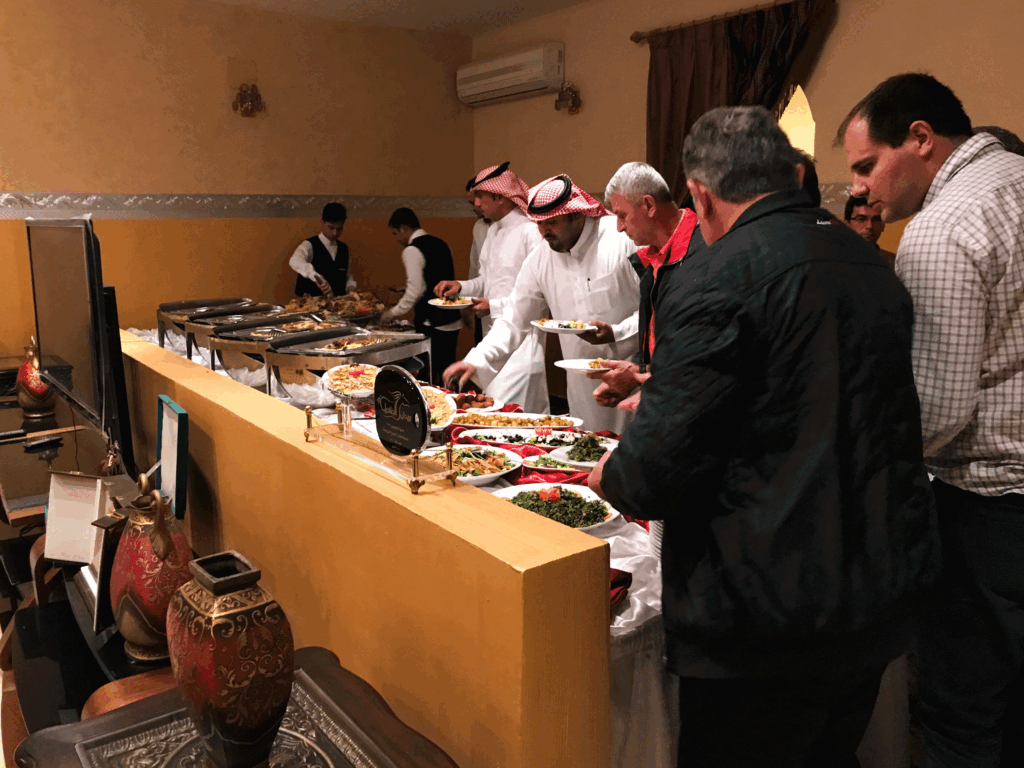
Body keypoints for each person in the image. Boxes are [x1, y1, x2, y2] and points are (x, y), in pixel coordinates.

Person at [590, 106, 939, 768]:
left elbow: (653, 474)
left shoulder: (715, 273)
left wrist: (613, 472)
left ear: (699, 195)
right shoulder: (870, 262)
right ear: (792, 175)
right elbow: (807, 395)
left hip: (763, 614)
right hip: (870, 591)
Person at [839, 72, 1024, 768]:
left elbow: (937, 412)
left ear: (920, 138)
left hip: (987, 506)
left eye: (867, 165)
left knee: (960, 715)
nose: (860, 188)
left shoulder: (943, 226)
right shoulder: (1016, 179)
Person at [443, 175, 640, 433]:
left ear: (576, 215)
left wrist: (618, 332)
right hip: (580, 385)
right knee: (591, 444)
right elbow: (514, 319)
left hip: (633, 375)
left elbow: (657, 307)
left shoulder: (620, 239)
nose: (544, 232)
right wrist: (476, 361)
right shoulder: (542, 257)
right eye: (539, 223)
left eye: (552, 222)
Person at [587, 162, 703, 414]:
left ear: (649, 205)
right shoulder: (652, 261)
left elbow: (704, 355)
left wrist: (651, 385)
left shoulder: (704, 252)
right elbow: (663, 345)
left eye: (622, 215)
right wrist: (636, 375)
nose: (619, 227)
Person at [434, 163, 548, 413]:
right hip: (491, 338)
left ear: (500, 196)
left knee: (512, 410)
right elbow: (485, 280)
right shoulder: (493, 231)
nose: (476, 204)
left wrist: (494, 306)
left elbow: (539, 295)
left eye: (480, 196)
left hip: (523, 341)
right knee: (503, 410)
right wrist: (460, 286)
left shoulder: (530, 231)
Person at [380, 208, 460, 384]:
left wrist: (390, 314)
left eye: (395, 233)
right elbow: (439, 278)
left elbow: (417, 290)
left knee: (427, 376)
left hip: (432, 322)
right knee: (448, 372)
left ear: (403, 228)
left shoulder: (412, 250)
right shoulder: (442, 244)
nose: (396, 239)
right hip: (452, 319)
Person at [289, 202, 357, 297]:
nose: (335, 233)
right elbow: (294, 261)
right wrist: (314, 275)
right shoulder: (309, 244)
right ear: (323, 222)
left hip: (337, 304)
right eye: (331, 228)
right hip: (310, 303)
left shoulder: (344, 248)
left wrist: (350, 289)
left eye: (339, 229)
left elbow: (347, 276)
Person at [844, 195, 896, 267]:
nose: (870, 226)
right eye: (861, 219)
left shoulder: (894, 263)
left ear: (883, 225)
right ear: (847, 224)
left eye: (876, 219)